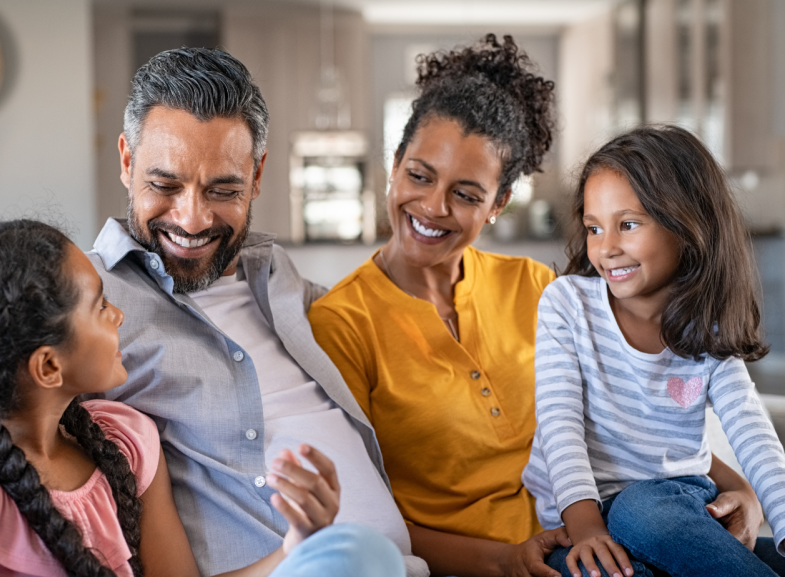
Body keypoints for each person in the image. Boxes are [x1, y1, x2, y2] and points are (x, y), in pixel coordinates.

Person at [0, 48, 422, 577]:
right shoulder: (71, 308)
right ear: (128, 161)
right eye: (166, 183)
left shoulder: (281, 278)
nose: (192, 219)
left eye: (223, 190)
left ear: (257, 176)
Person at [307, 35, 765, 577]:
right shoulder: (340, 323)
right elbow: (361, 517)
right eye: (419, 175)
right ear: (394, 165)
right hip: (509, 563)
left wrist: (743, 490)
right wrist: (505, 561)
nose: (433, 206)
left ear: (499, 203)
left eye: (467, 193)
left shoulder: (537, 286)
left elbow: (629, 424)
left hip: (612, 530)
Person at [0, 218, 373, 577]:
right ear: (49, 366)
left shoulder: (125, 440)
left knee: (356, 553)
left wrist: (297, 544)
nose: (118, 315)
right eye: (99, 307)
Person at [521, 125, 785, 577]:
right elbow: (559, 425)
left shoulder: (708, 329)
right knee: (572, 569)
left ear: (687, 225)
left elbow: (753, 433)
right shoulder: (567, 304)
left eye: (628, 224)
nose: (606, 248)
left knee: (639, 509)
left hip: (671, 510)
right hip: (582, 522)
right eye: (593, 227)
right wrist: (585, 528)